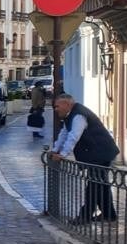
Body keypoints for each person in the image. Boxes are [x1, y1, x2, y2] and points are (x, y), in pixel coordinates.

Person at [48, 94, 119, 225]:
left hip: (101, 153)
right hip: (97, 154)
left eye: (57, 106)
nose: (55, 109)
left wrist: (62, 154)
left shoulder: (79, 116)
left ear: (67, 104)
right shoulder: (71, 116)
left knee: (93, 186)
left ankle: (85, 216)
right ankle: (109, 215)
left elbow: (74, 136)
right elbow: (64, 133)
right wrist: (55, 149)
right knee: (100, 185)